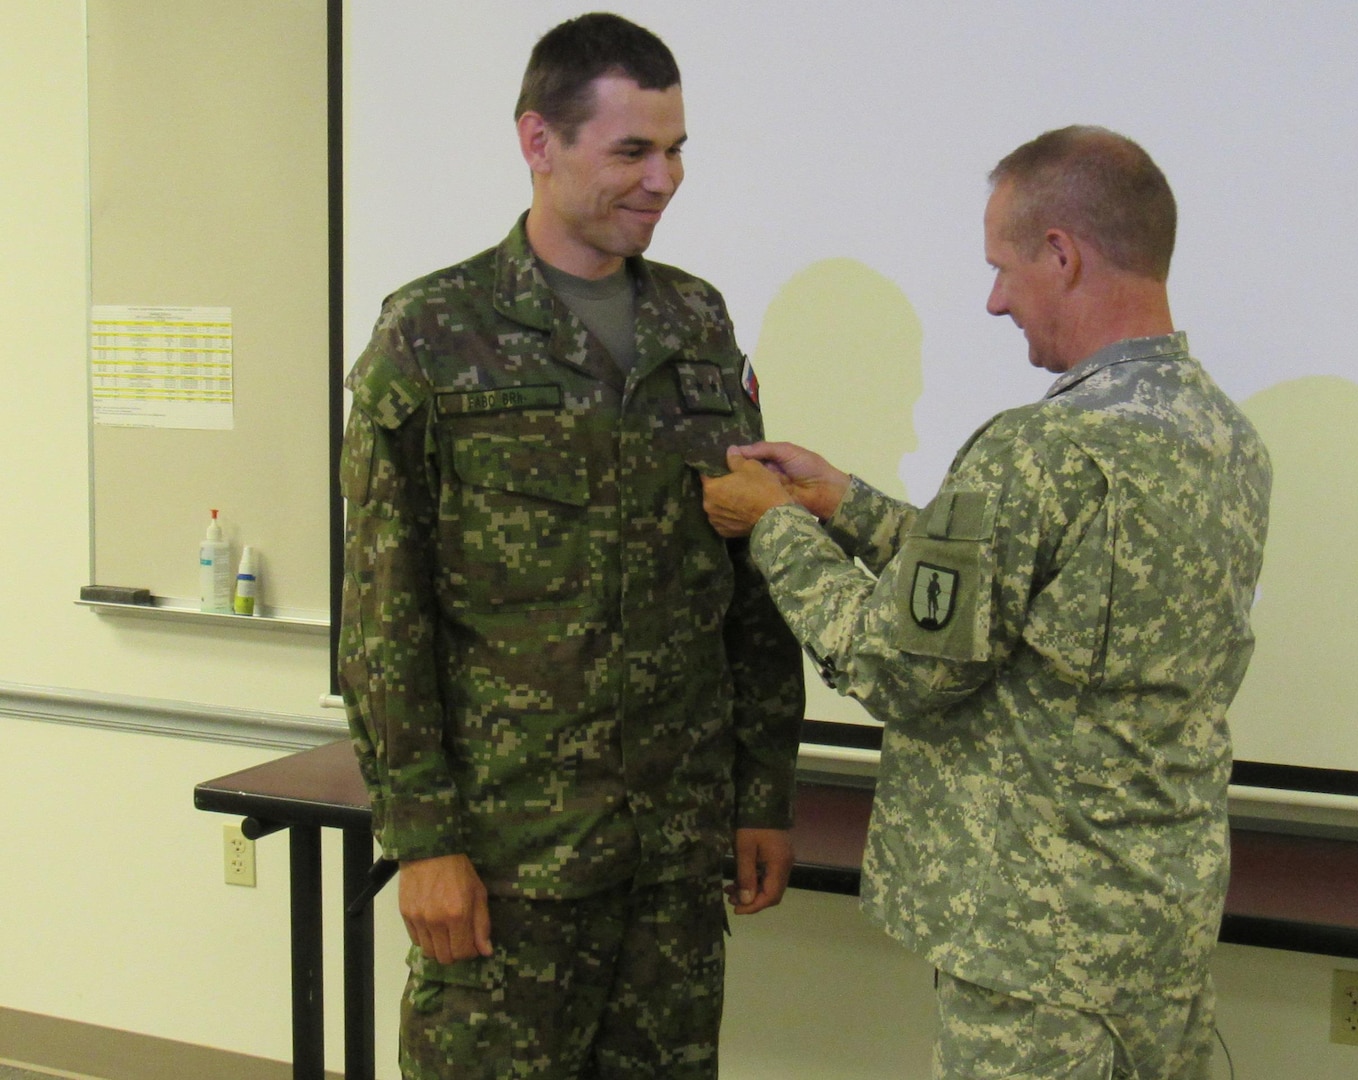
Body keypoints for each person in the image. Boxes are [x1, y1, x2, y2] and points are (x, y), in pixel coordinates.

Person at [702, 127, 1272, 1080]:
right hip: (1158, 932)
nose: (994, 299)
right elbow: (1023, 585)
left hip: (1036, 960)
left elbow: (901, 663)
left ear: (1061, 252)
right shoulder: (1224, 436)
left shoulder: (1039, 451)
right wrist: (845, 502)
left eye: (1003, 268)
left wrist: (773, 530)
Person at [337, 14, 804, 1079]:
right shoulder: (432, 335)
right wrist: (424, 840)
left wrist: (760, 787)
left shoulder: (698, 323)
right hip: (511, 860)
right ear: (537, 142)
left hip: (673, 859)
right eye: (632, 150)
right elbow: (384, 608)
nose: (664, 179)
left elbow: (748, 579)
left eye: (676, 148)